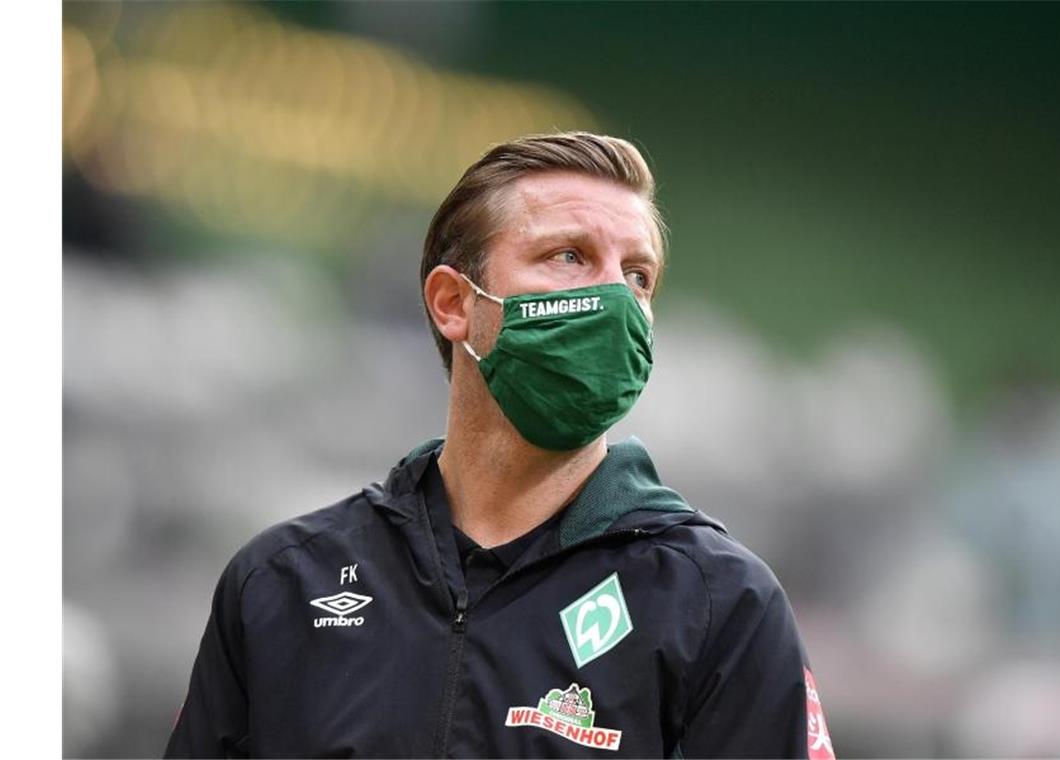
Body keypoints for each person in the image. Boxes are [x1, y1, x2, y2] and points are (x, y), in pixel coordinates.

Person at [164, 132, 835, 759]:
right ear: (454, 303)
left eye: (636, 275)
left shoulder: (719, 603)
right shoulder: (282, 582)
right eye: (569, 256)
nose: (613, 297)